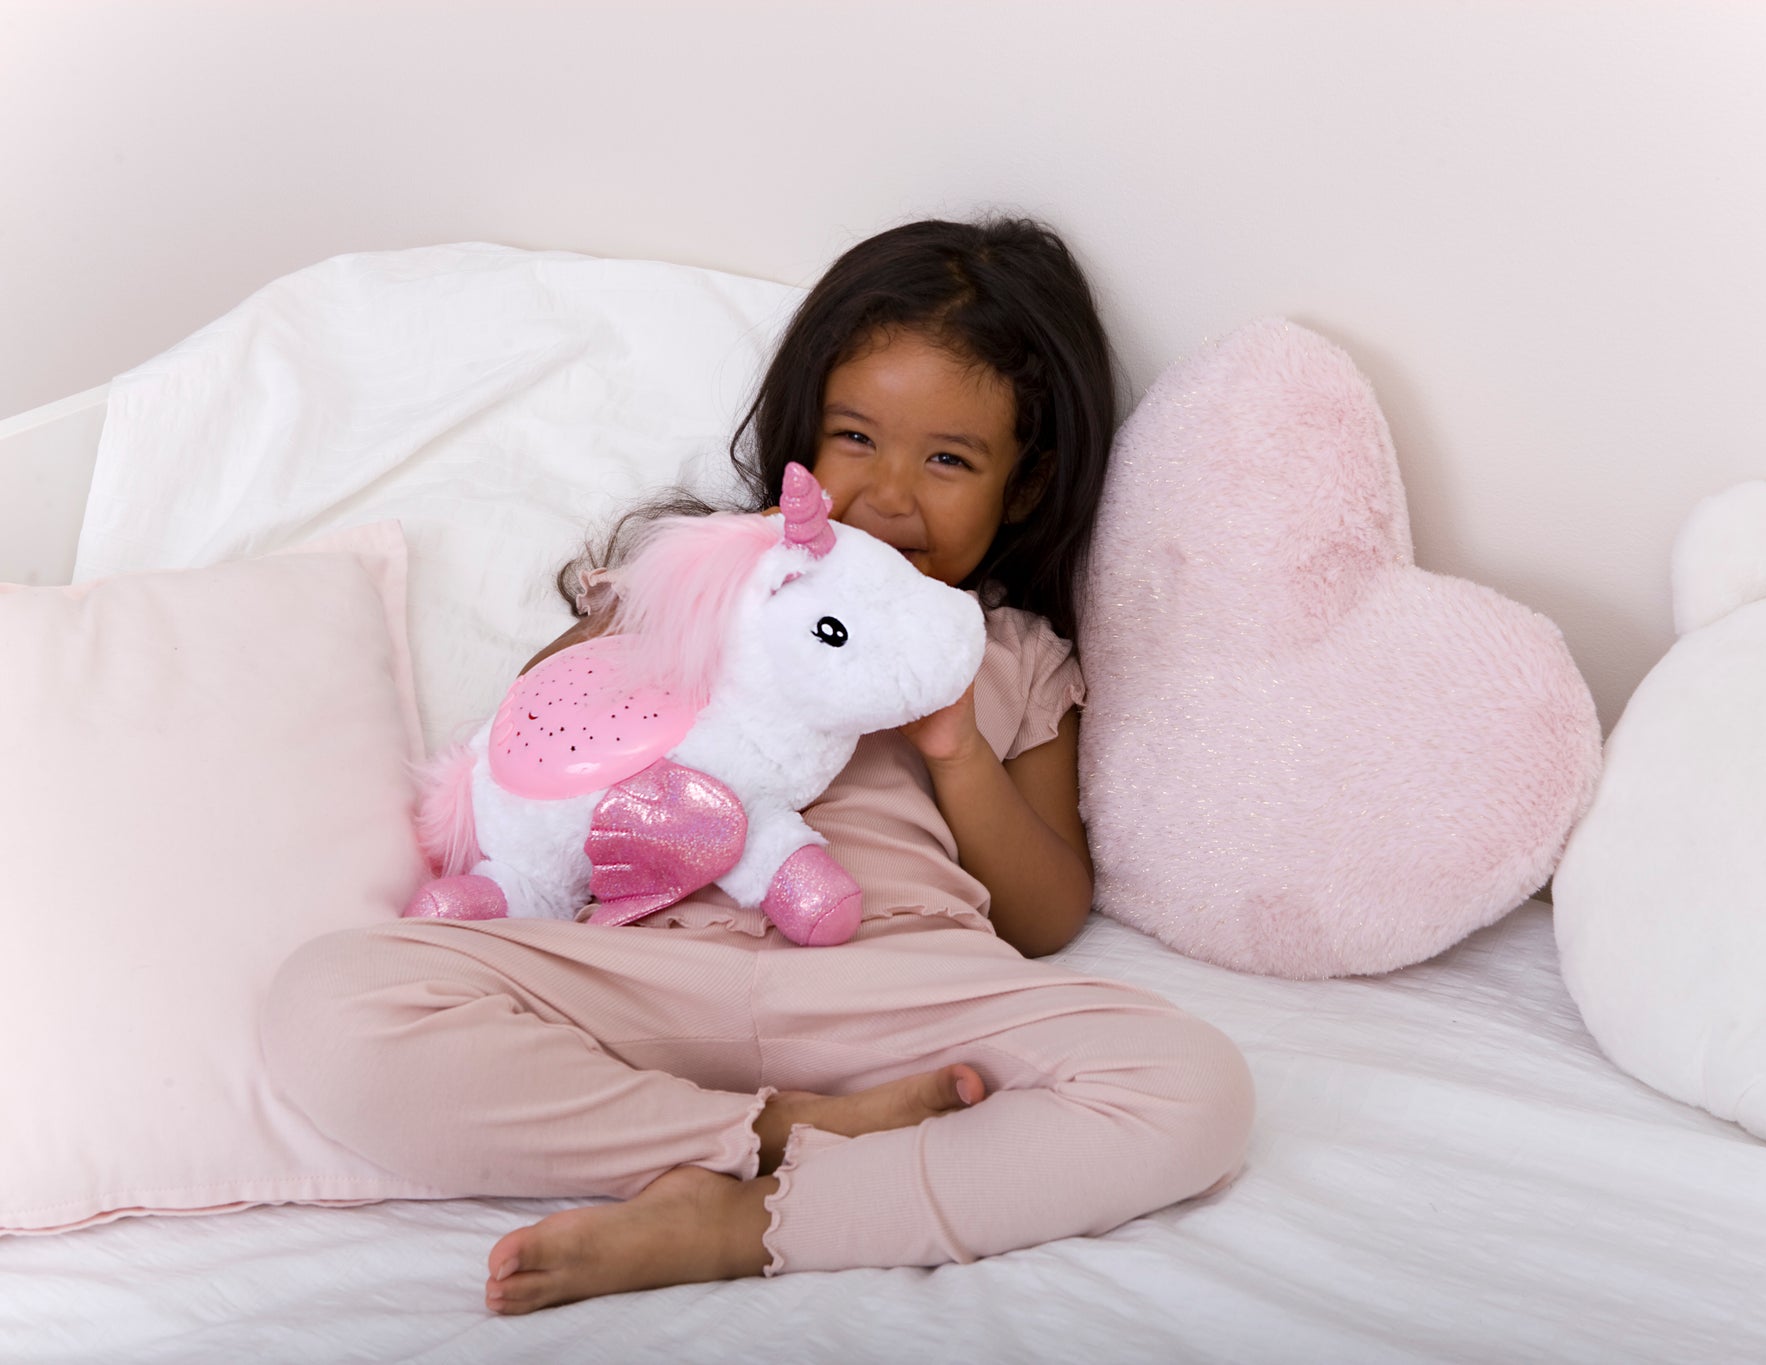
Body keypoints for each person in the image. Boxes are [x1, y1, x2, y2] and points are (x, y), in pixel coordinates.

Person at [260, 216, 1255, 1316]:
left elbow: (1044, 916)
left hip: (888, 985)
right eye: (854, 439)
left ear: (1023, 487)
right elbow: (537, 741)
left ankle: (743, 1224)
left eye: (948, 460)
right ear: (801, 444)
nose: (887, 492)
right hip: (644, 965)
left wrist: (955, 747)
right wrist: (680, 606)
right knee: (328, 1002)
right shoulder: (704, 571)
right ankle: (764, 1137)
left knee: (1190, 1087)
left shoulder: (1012, 651)